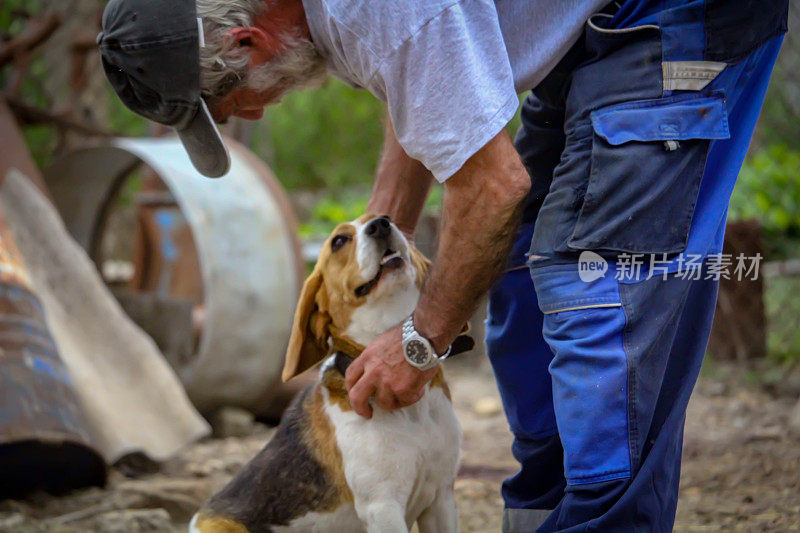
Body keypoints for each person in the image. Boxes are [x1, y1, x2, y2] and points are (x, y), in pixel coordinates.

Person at [98, 0, 789, 530]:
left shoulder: (372, 14)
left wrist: (422, 341)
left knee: (596, 291)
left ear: (245, 42)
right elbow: (429, 92)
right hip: (587, 27)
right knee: (517, 281)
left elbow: (494, 186)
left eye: (228, 105)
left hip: (672, 14)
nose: (250, 111)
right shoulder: (353, 23)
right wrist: (380, 232)